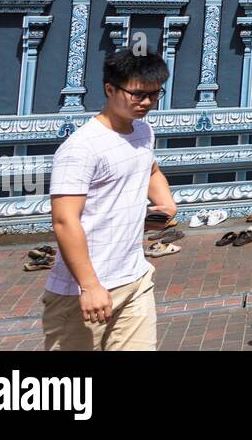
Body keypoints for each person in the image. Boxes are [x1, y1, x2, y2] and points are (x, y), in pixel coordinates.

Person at [43, 51, 177, 351]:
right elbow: (65, 221)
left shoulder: (143, 130)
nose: (146, 103)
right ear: (109, 89)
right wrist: (89, 286)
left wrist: (166, 202)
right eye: (138, 94)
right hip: (83, 288)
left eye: (154, 95)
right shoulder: (81, 148)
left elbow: (150, 167)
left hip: (135, 277)